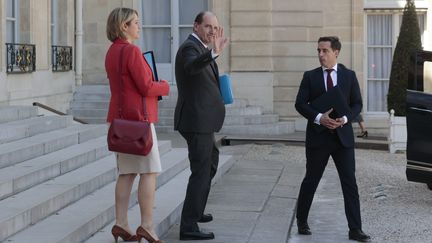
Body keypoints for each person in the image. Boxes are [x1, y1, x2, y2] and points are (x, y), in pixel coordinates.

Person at [294, 36, 371, 242]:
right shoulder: (310, 76)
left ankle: (355, 229)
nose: (320, 55)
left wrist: (344, 119)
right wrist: (320, 118)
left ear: (336, 52)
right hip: (318, 138)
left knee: (350, 183)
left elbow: (357, 104)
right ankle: (301, 220)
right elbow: (300, 104)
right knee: (311, 180)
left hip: (343, 139)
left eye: (324, 51)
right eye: (318, 51)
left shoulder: (349, 75)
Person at [105, 7, 169, 243]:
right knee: (149, 172)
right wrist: (165, 85)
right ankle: (147, 226)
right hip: (138, 122)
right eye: (136, 22)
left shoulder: (112, 52)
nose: (139, 26)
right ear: (124, 26)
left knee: (126, 173)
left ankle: (121, 224)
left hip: (120, 122)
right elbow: (146, 86)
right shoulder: (132, 51)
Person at [173, 11, 229, 241]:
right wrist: (214, 53)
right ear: (196, 26)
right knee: (201, 172)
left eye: (215, 28)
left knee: (211, 165)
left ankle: (196, 210)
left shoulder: (201, 49)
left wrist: (212, 53)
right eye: (208, 27)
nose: (212, 32)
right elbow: (191, 68)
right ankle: (188, 226)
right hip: (196, 121)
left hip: (204, 120)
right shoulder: (190, 48)